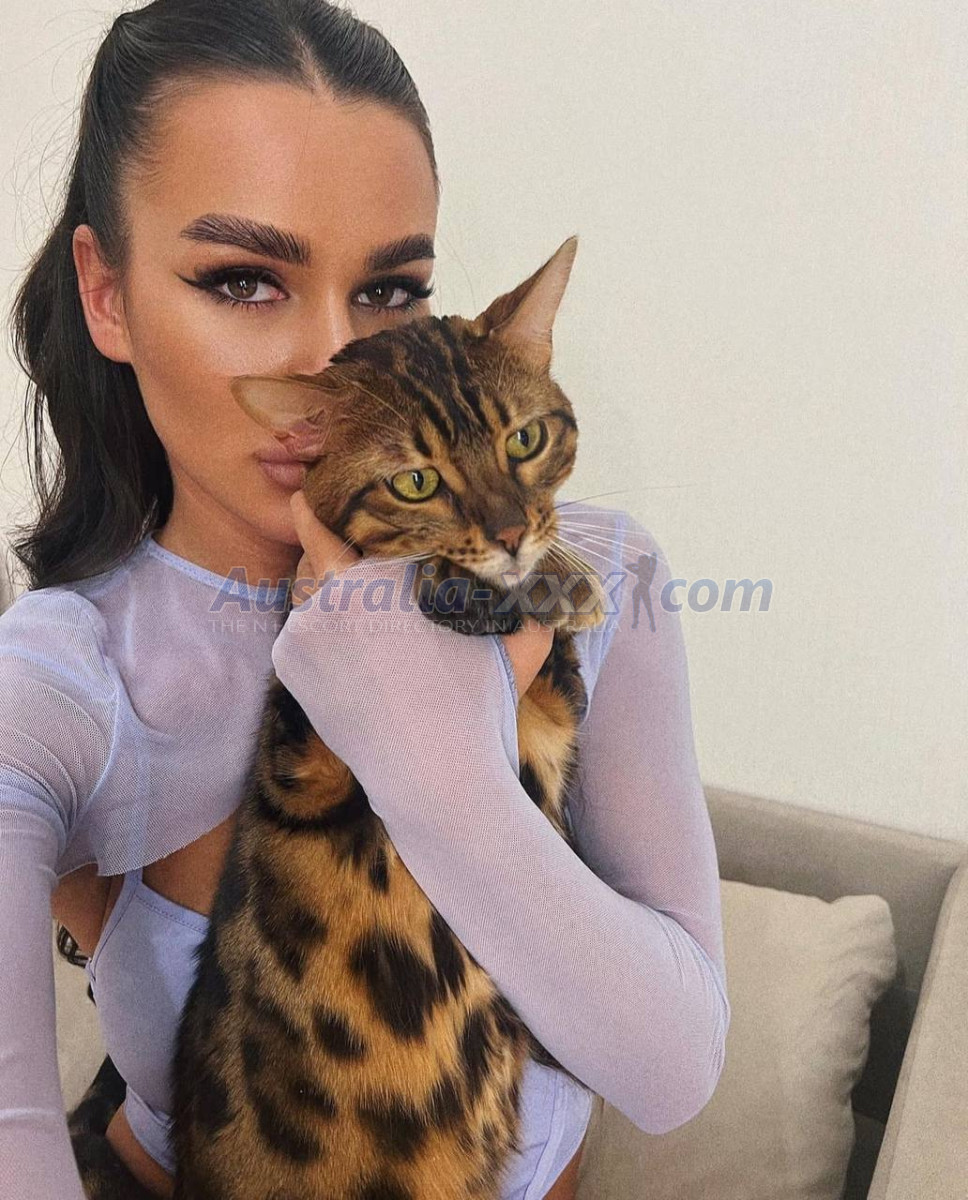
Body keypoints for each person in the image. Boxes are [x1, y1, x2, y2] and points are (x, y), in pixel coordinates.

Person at [0, 2, 731, 1198]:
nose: (337, 359)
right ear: (108, 295)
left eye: (390, 289)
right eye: (243, 281)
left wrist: (431, 755)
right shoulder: (64, 679)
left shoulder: (600, 569)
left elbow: (670, 1068)